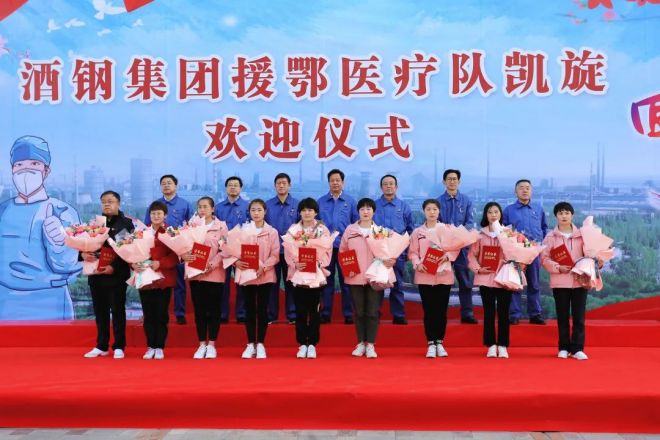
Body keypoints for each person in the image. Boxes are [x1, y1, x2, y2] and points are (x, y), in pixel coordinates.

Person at [0, 135, 81, 320]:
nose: (25, 170)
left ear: (46, 171)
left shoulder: (62, 212)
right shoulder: (3, 211)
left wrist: (60, 243)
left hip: (50, 301)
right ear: (12, 170)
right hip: (4, 300)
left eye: (34, 164)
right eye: (19, 165)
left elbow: (71, 263)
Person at [82, 191, 135, 359]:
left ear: (118, 203)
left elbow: (126, 250)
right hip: (96, 273)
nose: (106, 204)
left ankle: (119, 345)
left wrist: (113, 267)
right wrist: (83, 254)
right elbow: (85, 244)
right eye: (104, 201)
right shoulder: (95, 223)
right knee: (100, 311)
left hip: (116, 276)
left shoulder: (125, 224)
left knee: (117, 311)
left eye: (110, 201)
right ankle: (101, 345)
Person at [339, 198, 389, 359]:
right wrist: (348, 269)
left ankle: (371, 344)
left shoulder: (380, 231)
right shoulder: (350, 230)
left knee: (373, 311)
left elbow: (388, 253)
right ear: (358, 212)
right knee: (359, 311)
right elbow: (343, 251)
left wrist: (388, 261)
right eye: (362, 209)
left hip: (375, 277)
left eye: (368, 209)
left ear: (373, 212)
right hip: (355, 276)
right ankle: (361, 342)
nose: (365, 212)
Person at [541, 202, 590, 360]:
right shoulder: (550, 237)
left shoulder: (583, 235)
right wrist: (557, 267)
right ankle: (563, 347)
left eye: (567, 213)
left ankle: (577, 349)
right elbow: (544, 258)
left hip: (580, 281)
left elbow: (590, 255)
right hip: (560, 281)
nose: (564, 216)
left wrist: (597, 262)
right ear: (556, 216)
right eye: (561, 213)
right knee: (562, 316)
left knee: (579, 316)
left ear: (572, 215)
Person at [181, 197, 228, 359]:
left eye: (205, 207)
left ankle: (212, 344)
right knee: (199, 310)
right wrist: (184, 255)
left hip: (214, 274)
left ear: (212, 209)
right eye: (199, 207)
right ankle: (201, 344)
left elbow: (225, 250)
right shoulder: (191, 226)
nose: (202, 210)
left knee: (214, 310)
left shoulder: (221, 226)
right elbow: (183, 247)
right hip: (196, 274)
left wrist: (212, 264)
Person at [285, 198, 332, 359]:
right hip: (298, 275)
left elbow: (328, 251)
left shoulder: (322, 230)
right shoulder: (293, 230)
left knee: (314, 311)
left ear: (316, 212)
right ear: (299, 212)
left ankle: (312, 344)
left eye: (310, 210)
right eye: (304, 210)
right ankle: (301, 344)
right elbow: (288, 251)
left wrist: (319, 263)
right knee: (300, 311)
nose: (307, 213)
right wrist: (295, 264)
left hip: (316, 276)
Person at [144, 174, 192, 325]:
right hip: (158, 251)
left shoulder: (185, 204)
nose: (166, 185)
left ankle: (179, 313)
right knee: (156, 283)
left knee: (179, 283)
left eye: (169, 183)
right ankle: (153, 314)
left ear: (176, 186)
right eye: (163, 183)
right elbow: (146, 227)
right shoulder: (154, 205)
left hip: (178, 249)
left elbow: (190, 227)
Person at [408, 199, 453, 358]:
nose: (432, 212)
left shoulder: (447, 229)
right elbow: (412, 252)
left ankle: (440, 342)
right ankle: (431, 343)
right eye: (428, 209)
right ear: (424, 211)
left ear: (439, 211)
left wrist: (448, 256)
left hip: (443, 276)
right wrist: (417, 263)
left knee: (441, 310)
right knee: (429, 311)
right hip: (424, 275)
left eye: (434, 209)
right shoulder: (417, 232)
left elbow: (455, 248)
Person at [236, 199, 280, 359]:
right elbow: (233, 250)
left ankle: (260, 343)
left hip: (265, 276)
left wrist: (264, 267)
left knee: (262, 310)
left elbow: (275, 255)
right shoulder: (242, 231)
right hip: (247, 275)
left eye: (259, 210)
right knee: (249, 310)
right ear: (249, 212)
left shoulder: (272, 232)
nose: (256, 213)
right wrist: (236, 262)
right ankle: (250, 344)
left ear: (265, 212)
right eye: (253, 210)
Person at [468, 202, 511, 358]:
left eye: (496, 212)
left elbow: (516, 253)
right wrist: (478, 268)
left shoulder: (508, 233)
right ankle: (491, 344)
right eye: (490, 212)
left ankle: (503, 345)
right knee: (489, 312)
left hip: (504, 278)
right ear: (486, 215)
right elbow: (471, 256)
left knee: (504, 313)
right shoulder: (479, 235)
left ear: (501, 214)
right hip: (485, 278)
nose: (493, 215)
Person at [136, 201, 179, 360]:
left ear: (165, 215)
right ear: (149, 215)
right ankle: (150, 346)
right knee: (148, 314)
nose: (156, 216)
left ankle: (160, 346)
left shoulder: (171, 232)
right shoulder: (141, 232)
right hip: (145, 279)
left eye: (159, 213)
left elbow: (176, 255)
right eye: (153, 213)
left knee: (161, 314)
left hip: (163, 279)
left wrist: (160, 263)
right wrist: (133, 264)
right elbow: (131, 251)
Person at [503, 179, 548, 325]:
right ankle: (514, 314)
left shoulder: (538, 209)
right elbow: (504, 231)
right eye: (521, 188)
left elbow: (544, 228)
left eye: (527, 188)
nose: (524, 190)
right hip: (516, 254)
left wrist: (539, 246)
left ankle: (535, 314)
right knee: (516, 283)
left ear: (531, 191)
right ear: (515, 191)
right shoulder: (509, 210)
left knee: (534, 284)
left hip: (534, 253)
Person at [437, 169, 478, 324]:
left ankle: (467, 313)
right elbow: (437, 223)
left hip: (461, 249)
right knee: (443, 282)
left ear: (459, 182)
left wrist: (458, 237)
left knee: (464, 281)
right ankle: (440, 314)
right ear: (444, 182)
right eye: (449, 179)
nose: (452, 181)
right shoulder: (438, 201)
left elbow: (469, 223)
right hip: (444, 249)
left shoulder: (466, 201)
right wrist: (447, 238)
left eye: (455, 179)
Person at [317, 169, 358, 324]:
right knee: (326, 281)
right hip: (326, 248)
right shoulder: (321, 202)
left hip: (346, 248)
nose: (335, 183)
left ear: (343, 182)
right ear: (328, 182)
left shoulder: (351, 202)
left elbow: (356, 225)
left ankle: (348, 313)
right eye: (332, 180)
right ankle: (325, 313)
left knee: (347, 281)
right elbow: (316, 224)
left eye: (338, 180)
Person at [374, 174, 415, 325]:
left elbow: (411, 230)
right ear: (381, 187)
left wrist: (408, 251)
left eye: (391, 184)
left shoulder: (404, 207)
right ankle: (374, 315)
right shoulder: (374, 206)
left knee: (397, 284)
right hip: (378, 254)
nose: (388, 186)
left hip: (398, 254)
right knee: (378, 284)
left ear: (396, 187)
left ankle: (398, 315)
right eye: (385, 184)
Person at [265, 173, 299, 324]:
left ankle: (292, 315)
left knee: (291, 283)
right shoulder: (267, 205)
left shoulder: (297, 205)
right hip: (272, 251)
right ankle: (271, 315)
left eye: (284, 183)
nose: (281, 185)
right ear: (274, 186)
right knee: (272, 283)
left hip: (291, 252)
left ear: (289, 185)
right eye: (278, 183)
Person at [215, 176, 249, 324]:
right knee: (223, 283)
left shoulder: (247, 207)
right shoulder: (218, 207)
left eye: (236, 185)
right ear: (226, 188)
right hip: (223, 250)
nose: (233, 187)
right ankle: (223, 313)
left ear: (240, 188)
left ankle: (241, 313)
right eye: (230, 185)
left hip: (241, 251)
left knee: (241, 282)